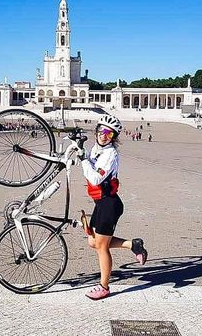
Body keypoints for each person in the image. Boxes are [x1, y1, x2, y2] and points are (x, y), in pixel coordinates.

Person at [78, 115, 148, 301]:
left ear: (114, 137)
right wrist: (79, 148)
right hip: (101, 202)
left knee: (102, 247)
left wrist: (83, 159)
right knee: (93, 242)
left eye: (109, 133)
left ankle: (104, 287)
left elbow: (94, 178)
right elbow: (89, 162)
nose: (104, 135)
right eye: (101, 130)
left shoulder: (111, 154)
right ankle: (133, 245)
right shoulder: (96, 148)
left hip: (110, 204)